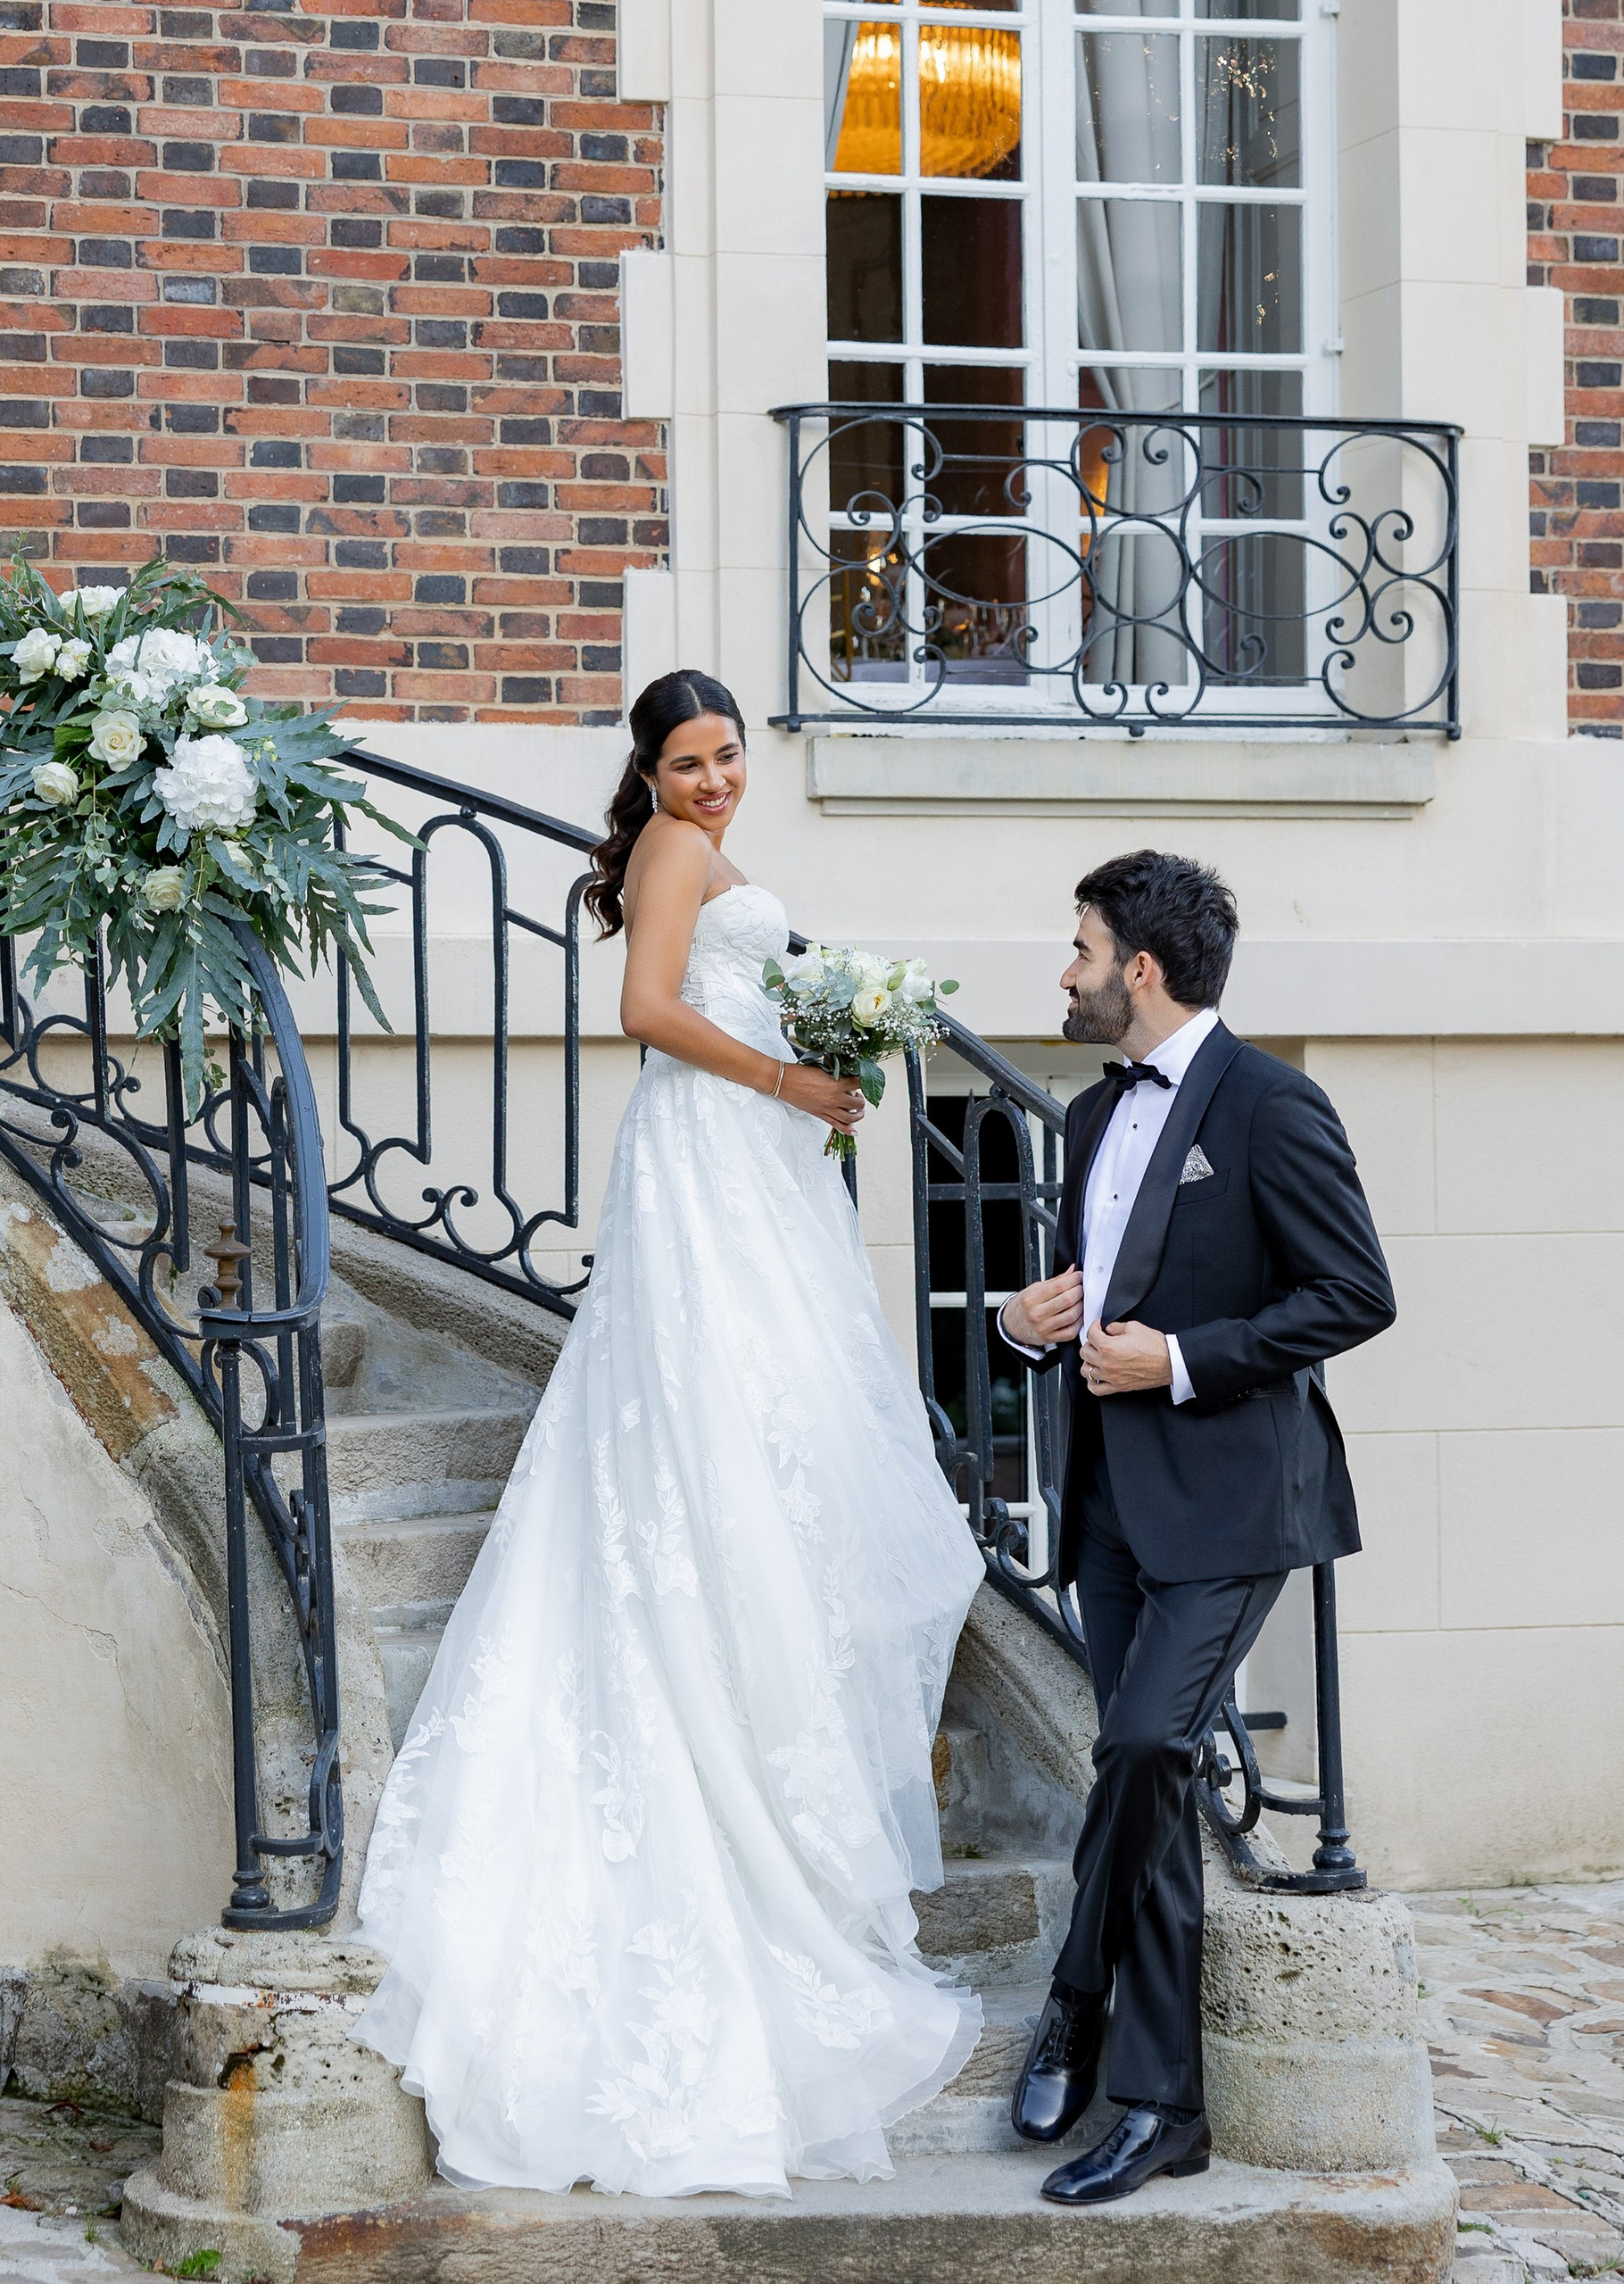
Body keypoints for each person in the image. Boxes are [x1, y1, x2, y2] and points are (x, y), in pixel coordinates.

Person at [352, 669, 985, 2197]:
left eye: (728, 758)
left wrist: (814, 1067)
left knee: (756, 1442)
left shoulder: (714, 853)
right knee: (708, 1434)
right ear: (647, 774)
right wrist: (786, 1078)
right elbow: (645, 1011)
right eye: (687, 764)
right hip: (710, 1159)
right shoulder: (675, 858)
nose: (713, 783)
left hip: (745, 1166)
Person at [996, 848, 1396, 2209]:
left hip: (1234, 1503)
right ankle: (1164, 2110)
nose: (1066, 970)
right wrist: (1022, 1323)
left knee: (1149, 1741)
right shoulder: (1094, 1113)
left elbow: (1354, 1293)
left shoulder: (1277, 1107)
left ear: (1140, 970)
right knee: (1153, 1797)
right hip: (1109, 1502)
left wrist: (1177, 1358)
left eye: (1081, 948)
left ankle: (1073, 2000)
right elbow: (1082, 1295)